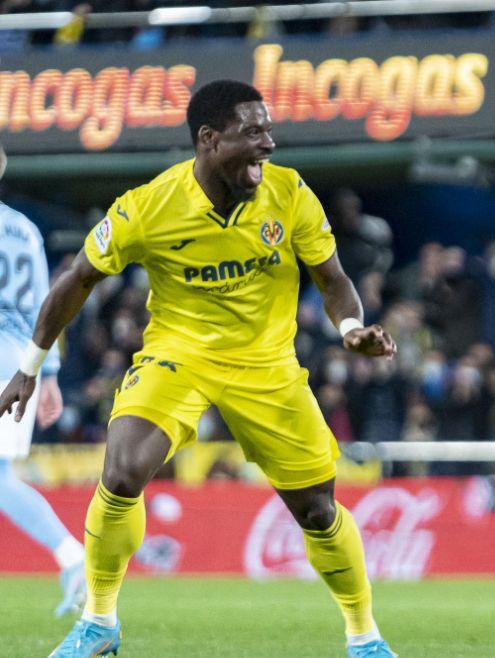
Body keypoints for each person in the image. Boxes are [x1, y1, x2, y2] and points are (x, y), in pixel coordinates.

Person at [0, 80, 398, 658]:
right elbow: (76, 280)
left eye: (268, 130)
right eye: (253, 132)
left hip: (267, 365)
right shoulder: (149, 206)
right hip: (178, 357)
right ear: (210, 139)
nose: (268, 144)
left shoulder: (290, 194)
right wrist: (31, 367)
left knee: (317, 510)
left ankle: (364, 637)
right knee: (121, 473)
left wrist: (350, 328)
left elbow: (332, 279)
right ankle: (99, 622)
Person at [0, 146, 86, 618]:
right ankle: (72, 557)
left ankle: (72, 556)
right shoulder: (24, 229)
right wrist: (47, 372)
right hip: (19, 362)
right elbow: (43, 306)